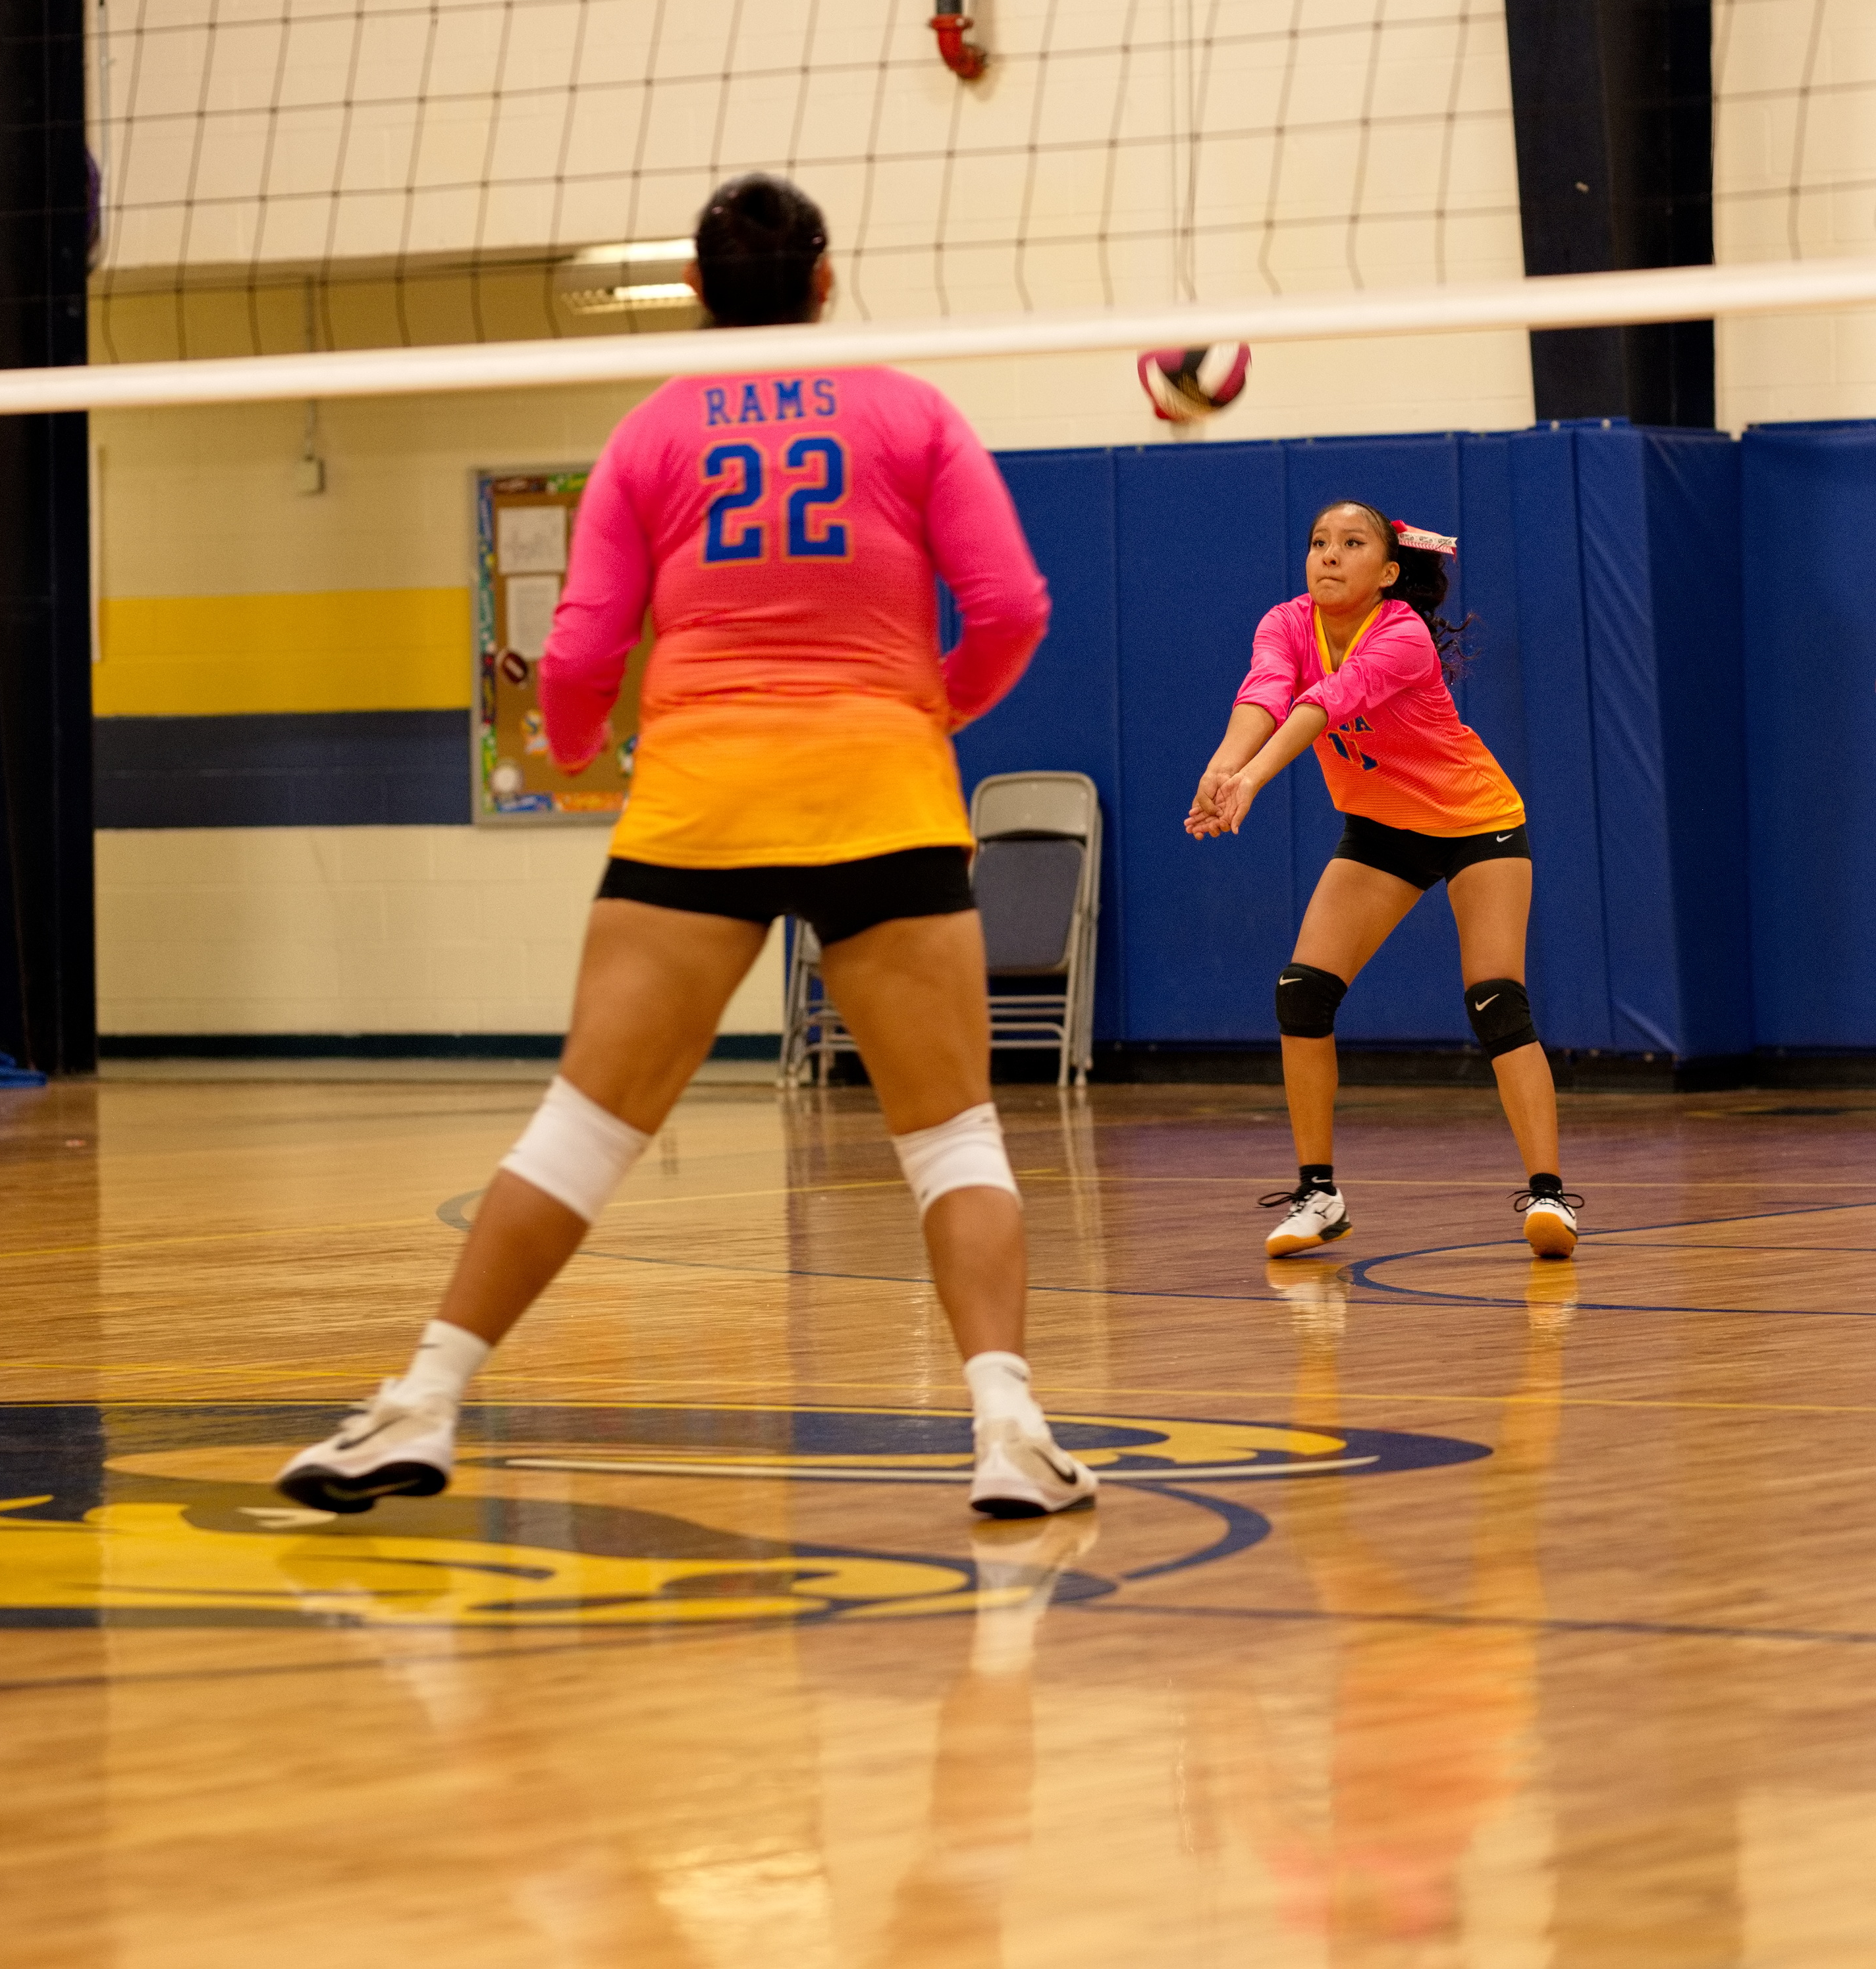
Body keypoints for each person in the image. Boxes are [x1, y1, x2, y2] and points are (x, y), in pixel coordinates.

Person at [279, 171, 1099, 1521]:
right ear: (825, 280)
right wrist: (926, 709)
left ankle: (421, 1400)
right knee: (953, 1141)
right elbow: (1009, 602)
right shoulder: (911, 412)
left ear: (702, 293)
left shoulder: (651, 433)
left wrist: (583, 739)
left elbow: (583, 652)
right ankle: (1007, 1428)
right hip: (880, 793)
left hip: (699, 799)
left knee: (582, 1131)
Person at [1186, 502, 1580, 1261]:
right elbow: (1265, 694)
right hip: (1382, 829)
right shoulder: (1285, 623)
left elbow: (1320, 705)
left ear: (1388, 571)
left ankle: (1550, 1195)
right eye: (1318, 543)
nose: (1329, 556)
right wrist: (1222, 767)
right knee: (1302, 990)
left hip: (1474, 822)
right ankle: (1318, 1194)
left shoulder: (1399, 635)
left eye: (1351, 544)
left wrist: (1254, 780)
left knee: (1496, 999)